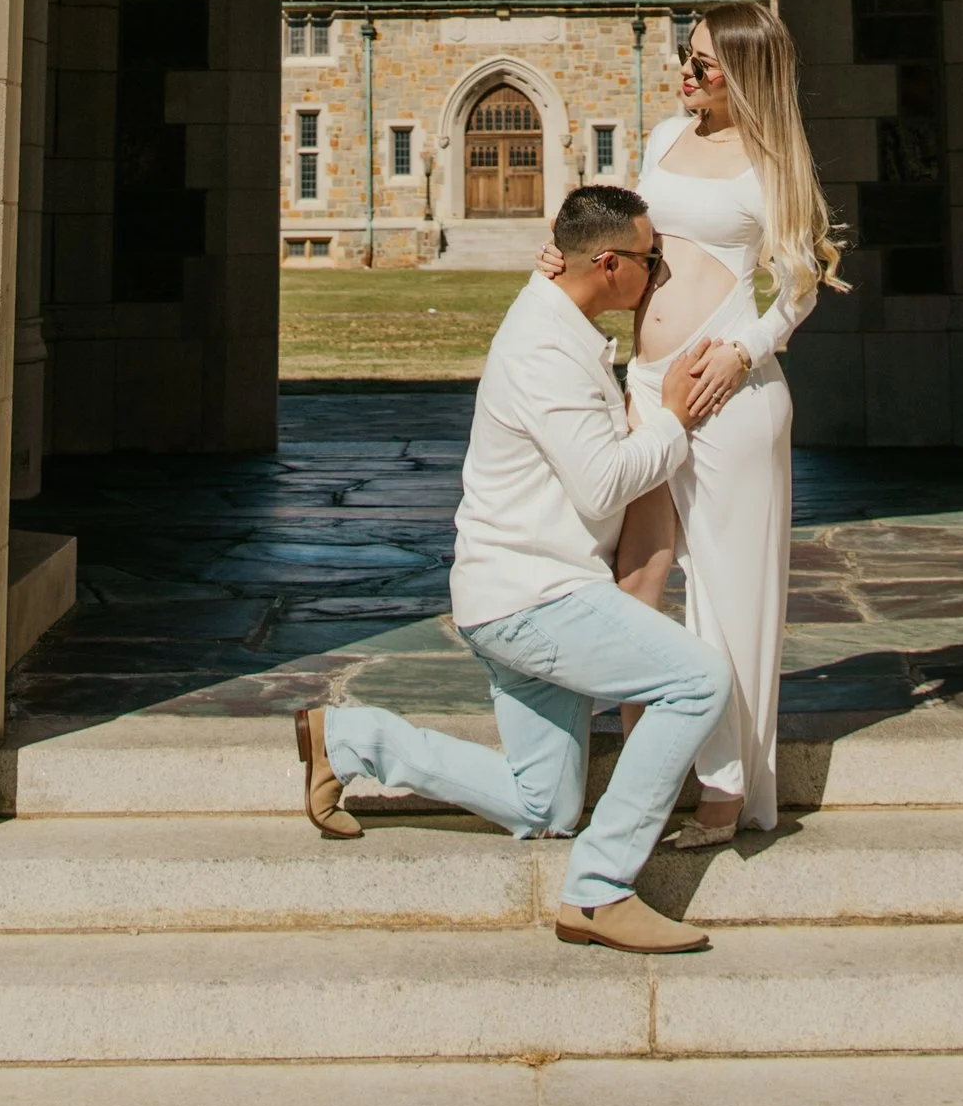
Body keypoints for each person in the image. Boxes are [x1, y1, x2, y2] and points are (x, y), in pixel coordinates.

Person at [294, 182, 734, 953]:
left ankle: (349, 741)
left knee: (545, 804)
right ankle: (599, 891)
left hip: (510, 594)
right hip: (537, 597)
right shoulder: (543, 347)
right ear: (607, 263)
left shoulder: (557, 313)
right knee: (696, 680)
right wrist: (674, 418)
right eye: (650, 258)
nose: (659, 274)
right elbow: (601, 480)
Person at [588, 0, 847, 837]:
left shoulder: (771, 157)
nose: (687, 73)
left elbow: (799, 281)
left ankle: (729, 786)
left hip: (731, 394)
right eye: (685, 56)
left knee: (727, 591)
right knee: (635, 583)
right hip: (652, 382)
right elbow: (630, 236)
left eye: (704, 65)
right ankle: (642, 778)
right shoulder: (664, 138)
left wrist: (742, 352)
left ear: (746, 74)